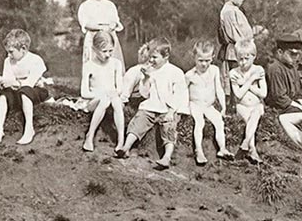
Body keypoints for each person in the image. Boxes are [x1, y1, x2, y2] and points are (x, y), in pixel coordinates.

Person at [116, 38, 187, 169]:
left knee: (169, 128)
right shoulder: (151, 71)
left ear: (166, 56)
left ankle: (167, 156)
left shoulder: (175, 72)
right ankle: (126, 146)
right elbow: (144, 93)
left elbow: (180, 95)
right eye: (150, 57)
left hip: (168, 109)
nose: (151, 60)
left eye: (154, 57)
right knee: (139, 120)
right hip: (152, 105)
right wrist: (147, 78)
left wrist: (172, 111)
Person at [0, 29, 49, 146]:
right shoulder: (8, 61)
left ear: (23, 49)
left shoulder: (36, 60)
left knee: (25, 92)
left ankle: (29, 128)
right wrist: (6, 83)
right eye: (8, 52)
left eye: (11, 52)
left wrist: (13, 83)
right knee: (2, 94)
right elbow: (8, 78)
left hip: (35, 91)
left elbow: (30, 83)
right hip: (17, 90)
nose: (9, 55)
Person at [185, 40, 234, 166]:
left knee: (219, 121)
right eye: (200, 60)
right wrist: (183, 108)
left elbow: (219, 89)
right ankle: (199, 150)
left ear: (212, 57)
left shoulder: (214, 71)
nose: (204, 64)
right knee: (199, 122)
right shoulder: (190, 75)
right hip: (195, 104)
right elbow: (183, 92)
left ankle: (222, 148)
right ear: (194, 57)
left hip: (208, 106)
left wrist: (223, 107)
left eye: (207, 60)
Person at [80, 31, 125, 153]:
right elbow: (84, 92)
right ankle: (90, 136)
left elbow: (120, 88)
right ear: (94, 49)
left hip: (112, 98)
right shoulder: (89, 65)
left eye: (111, 51)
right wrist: (101, 94)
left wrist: (114, 92)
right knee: (105, 99)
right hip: (94, 101)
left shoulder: (116, 63)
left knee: (115, 100)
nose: (108, 55)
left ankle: (121, 140)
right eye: (104, 51)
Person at [76, 0, 124, 84]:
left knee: (112, 61)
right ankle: (93, 88)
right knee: (94, 63)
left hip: (109, 35)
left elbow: (115, 20)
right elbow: (85, 23)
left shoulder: (109, 5)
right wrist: (100, 28)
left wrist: (112, 25)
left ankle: (115, 87)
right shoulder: (85, 6)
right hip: (94, 36)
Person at [229, 39, 267, 164]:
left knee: (256, 113)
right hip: (242, 106)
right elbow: (238, 95)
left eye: (246, 58)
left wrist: (245, 83)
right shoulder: (234, 72)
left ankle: (247, 143)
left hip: (257, 105)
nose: (243, 62)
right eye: (240, 59)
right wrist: (251, 80)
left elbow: (263, 93)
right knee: (250, 118)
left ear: (254, 57)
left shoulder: (258, 70)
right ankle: (252, 149)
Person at [217, 0, 253, 108]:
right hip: (237, 51)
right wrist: (247, 47)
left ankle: (239, 108)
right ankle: (234, 109)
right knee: (236, 82)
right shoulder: (229, 11)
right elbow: (236, 35)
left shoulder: (234, 10)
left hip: (241, 49)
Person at [265, 33, 302, 113]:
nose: (295, 57)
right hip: (278, 108)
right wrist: (299, 107)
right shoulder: (275, 68)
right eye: (292, 54)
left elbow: (299, 92)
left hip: (290, 105)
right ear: (280, 52)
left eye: (297, 54)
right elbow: (279, 98)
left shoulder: (292, 66)